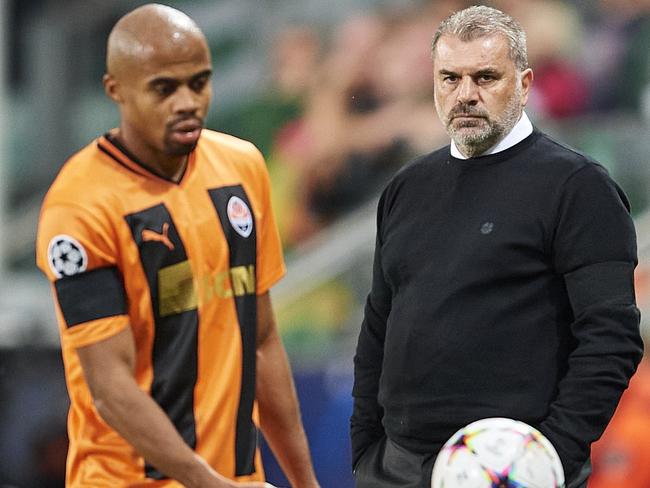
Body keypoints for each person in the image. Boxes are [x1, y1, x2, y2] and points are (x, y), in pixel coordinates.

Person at [350, 5, 643, 488]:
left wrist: (548, 455)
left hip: (514, 468)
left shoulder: (578, 187)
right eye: (450, 78)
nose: (465, 94)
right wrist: (365, 450)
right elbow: (377, 328)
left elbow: (611, 338)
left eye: (485, 77)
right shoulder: (406, 187)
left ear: (525, 84)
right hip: (396, 466)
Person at [35, 4, 320, 488]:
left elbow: (263, 338)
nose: (187, 101)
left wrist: (304, 481)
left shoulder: (242, 167)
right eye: (164, 89)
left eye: (199, 82)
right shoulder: (80, 206)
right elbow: (110, 388)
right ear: (116, 91)